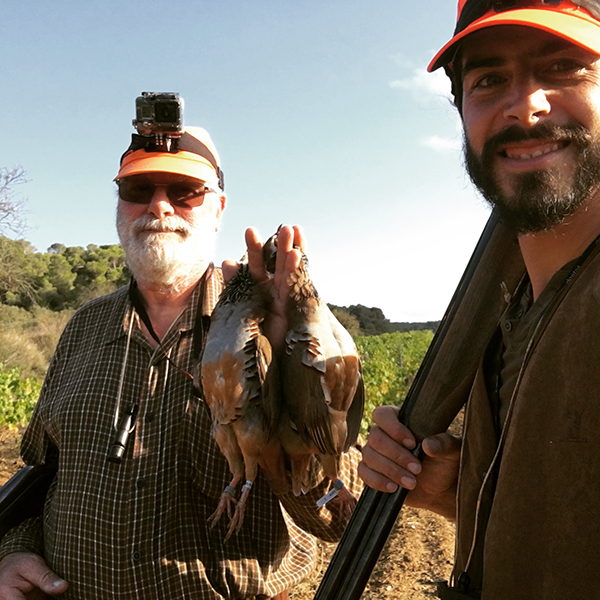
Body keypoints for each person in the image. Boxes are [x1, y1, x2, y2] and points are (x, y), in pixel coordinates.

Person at [0, 119, 362, 599]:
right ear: (119, 206)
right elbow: (45, 474)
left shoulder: (290, 332)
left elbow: (338, 520)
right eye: (138, 187)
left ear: (218, 209)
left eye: (186, 191)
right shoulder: (83, 328)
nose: (159, 205)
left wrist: (290, 392)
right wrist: (14, 551)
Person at [358, 1, 600, 599]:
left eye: (566, 67)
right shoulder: (505, 317)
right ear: (461, 111)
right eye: (489, 80)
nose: (524, 105)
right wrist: (461, 493)